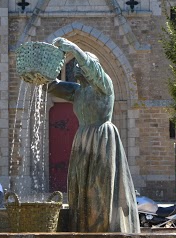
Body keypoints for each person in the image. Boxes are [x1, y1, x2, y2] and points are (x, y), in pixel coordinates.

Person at [38, 37, 140, 232]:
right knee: (81, 189)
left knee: (100, 189)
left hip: (102, 140)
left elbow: (94, 70)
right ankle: (83, 226)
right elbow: (51, 85)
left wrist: (75, 49)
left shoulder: (104, 86)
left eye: (80, 64)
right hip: (83, 140)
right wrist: (39, 71)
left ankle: (102, 228)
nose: (76, 66)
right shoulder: (77, 91)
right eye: (75, 64)